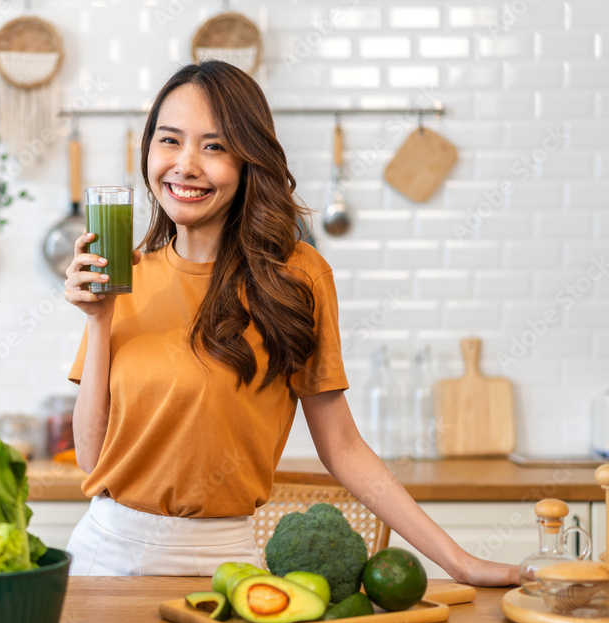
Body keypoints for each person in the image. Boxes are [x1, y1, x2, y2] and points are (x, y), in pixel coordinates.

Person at [62, 60, 517, 586]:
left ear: (249, 161)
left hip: (227, 561)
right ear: (148, 151)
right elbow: (93, 461)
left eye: (214, 146)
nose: (185, 165)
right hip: (107, 557)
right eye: (169, 141)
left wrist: (460, 563)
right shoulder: (124, 277)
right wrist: (98, 322)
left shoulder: (296, 278)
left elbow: (343, 447)